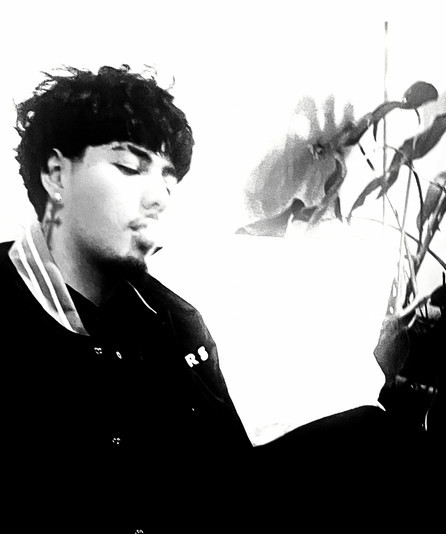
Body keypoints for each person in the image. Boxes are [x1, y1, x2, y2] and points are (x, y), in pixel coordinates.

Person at [1, 65, 433, 532]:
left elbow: (229, 476)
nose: (159, 197)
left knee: (371, 440)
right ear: (56, 176)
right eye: (129, 168)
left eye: (168, 179)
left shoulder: (171, 320)